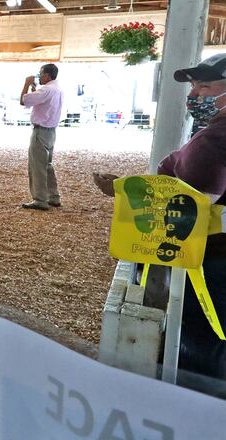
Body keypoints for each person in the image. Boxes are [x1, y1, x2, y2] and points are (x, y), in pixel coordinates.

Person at [93, 53, 226, 388]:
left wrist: (127, 192)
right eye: (194, 86)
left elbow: (193, 199)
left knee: (204, 347)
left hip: (209, 261)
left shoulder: (216, 139)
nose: (194, 95)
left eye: (205, 86)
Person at [19, 63, 64, 211]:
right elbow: (41, 101)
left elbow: (23, 100)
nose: (39, 76)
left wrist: (26, 83)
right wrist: (34, 90)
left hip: (40, 131)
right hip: (51, 131)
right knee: (47, 165)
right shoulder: (57, 89)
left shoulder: (46, 89)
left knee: (37, 166)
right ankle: (53, 196)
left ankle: (40, 199)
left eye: (40, 74)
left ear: (47, 75)